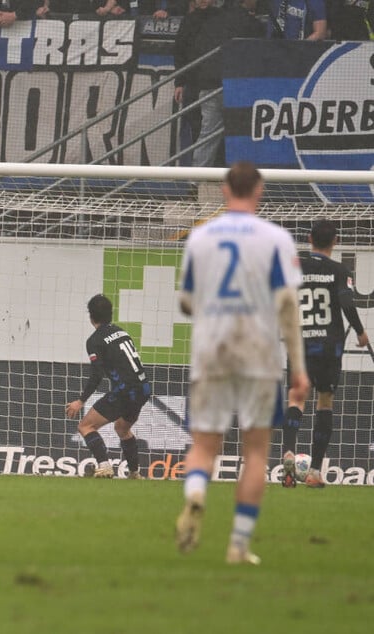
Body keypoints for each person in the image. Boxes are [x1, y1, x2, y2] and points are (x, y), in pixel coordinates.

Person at [175, 162, 309, 565]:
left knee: (203, 446)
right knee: (255, 452)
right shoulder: (276, 239)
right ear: (260, 190)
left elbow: (186, 302)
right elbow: (288, 306)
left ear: (224, 189)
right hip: (259, 353)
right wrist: (298, 369)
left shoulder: (200, 236)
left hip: (212, 350)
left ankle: (196, 493)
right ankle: (238, 545)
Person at [280, 220, 368, 489]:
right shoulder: (340, 271)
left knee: (296, 398)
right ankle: (315, 471)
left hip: (300, 343)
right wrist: (360, 332)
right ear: (336, 241)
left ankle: (289, 452)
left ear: (309, 238)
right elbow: (346, 302)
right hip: (329, 346)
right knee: (325, 402)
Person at [65, 294, 151, 479]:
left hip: (125, 391)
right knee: (122, 429)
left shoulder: (94, 341)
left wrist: (80, 401)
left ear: (91, 316)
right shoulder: (122, 332)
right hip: (143, 388)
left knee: (86, 426)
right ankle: (135, 473)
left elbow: (97, 374)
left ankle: (104, 466)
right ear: (110, 314)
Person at [173, 0, 263, 167]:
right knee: (233, 134)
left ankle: (200, 175)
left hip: (210, 83)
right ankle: (230, 175)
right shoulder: (195, 20)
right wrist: (180, 81)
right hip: (218, 84)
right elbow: (180, 49)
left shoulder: (214, 19)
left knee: (208, 135)